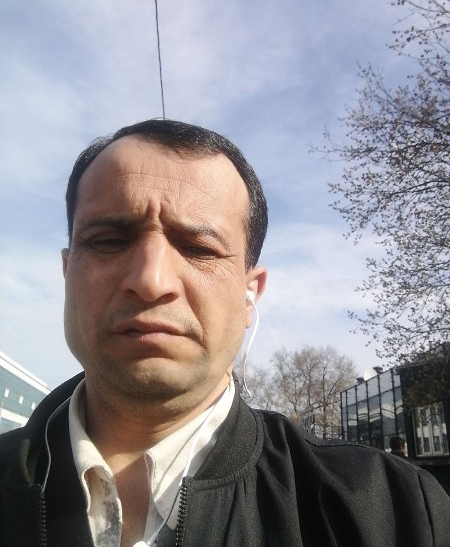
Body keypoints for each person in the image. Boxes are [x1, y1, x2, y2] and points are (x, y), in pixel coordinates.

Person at [0, 119, 449, 547]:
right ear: (67, 272)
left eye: (199, 248)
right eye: (109, 240)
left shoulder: (395, 510)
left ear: (250, 293)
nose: (151, 280)